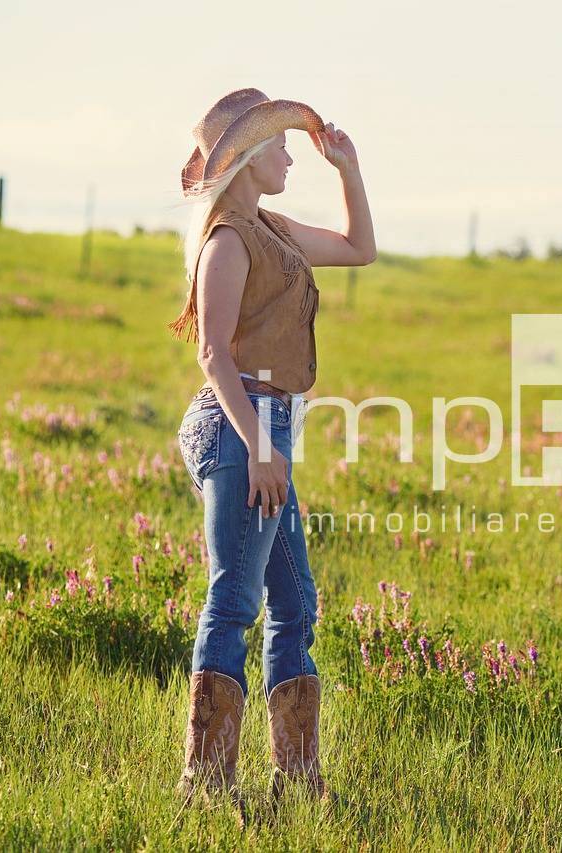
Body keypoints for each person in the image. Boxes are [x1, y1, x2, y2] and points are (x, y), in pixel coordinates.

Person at [166, 87, 375, 821]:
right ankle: (207, 784)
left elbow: (360, 248)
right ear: (251, 158)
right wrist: (259, 445)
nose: (293, 154)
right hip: (242, 426)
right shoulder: (226, 239)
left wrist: (348, 168)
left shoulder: (272, 227)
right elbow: (212, 354)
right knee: (234, 599)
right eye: (283, 145)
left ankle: (297, 780)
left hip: (270, 426)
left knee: (294, 602)